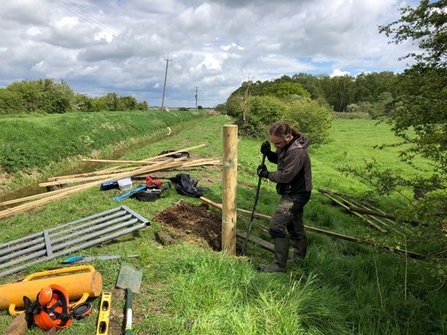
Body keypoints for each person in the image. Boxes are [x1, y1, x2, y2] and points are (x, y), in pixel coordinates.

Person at [256, 121, 312, 272]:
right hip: (293, 192)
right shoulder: (288, 145)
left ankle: (278, 266)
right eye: (274, 144)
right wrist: (268, 154)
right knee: (294, 226)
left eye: (278, 143)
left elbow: (286, 175)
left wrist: (266, 174)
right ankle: (299, 257)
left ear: (288, 136)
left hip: (296, 195)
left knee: (276, 226)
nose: (276, 146)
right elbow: (280, 159)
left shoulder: (298, 151)